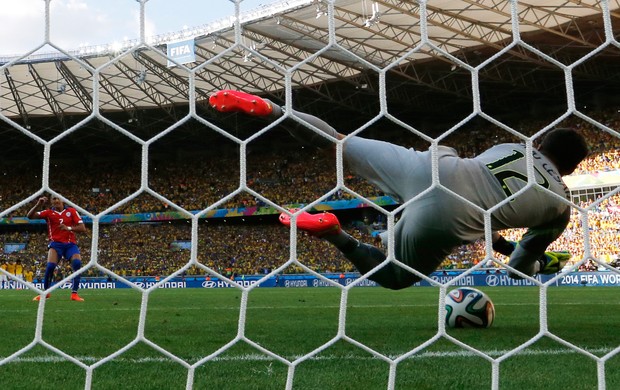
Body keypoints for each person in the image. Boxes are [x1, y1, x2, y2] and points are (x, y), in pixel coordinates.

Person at [209, 90, 589, 290]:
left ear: (540, 144)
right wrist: (537, 264)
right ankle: (336, 234)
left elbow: (484, 191)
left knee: (337, 141)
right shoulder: (561, 207)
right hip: (447, 214)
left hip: (432, 167)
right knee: (396, 277)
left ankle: (270, 108)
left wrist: (500, 241)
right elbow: (518, 269)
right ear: (571, 169)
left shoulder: (513, 148)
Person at [27, 195, 87, 301]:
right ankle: (45, 293)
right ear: (51, 202)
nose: (56, 200)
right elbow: (29, 216)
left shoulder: (72, 211)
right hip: (56, 244)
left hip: (70, 244)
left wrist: (68, 228)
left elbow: (82, 228)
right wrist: (38, 204)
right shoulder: (48, 213)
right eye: (53, 199)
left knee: (77, 264)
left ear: (63, 200)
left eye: (58, 198)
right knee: (50, 266)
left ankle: (74, 294)